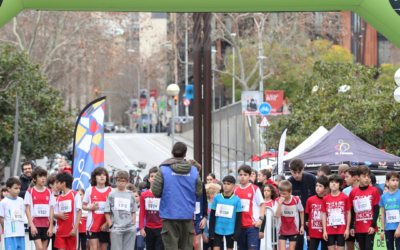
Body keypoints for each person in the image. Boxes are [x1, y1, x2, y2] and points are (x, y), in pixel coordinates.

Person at [151, 142, 202, 250]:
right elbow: (198, 192)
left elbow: (155, 191)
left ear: (172, 152)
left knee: (170, 247)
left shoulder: (163, 169)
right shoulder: (194, 170)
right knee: (186, 247)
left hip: (169, 214)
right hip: (187, 214)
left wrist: (168, 194)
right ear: (185, 154)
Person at [233, 164, 266, 250]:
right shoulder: (235, 190)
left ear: (250, 175)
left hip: (252, 226)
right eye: (240, 175)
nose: (242, 177)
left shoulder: (254, 189)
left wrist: (261, 219)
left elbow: (262, 204)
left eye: (245, 175)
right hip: (239, 226)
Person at [349, 165, 380, 250]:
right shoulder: (353, 192)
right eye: (364, 176)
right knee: (362, 248)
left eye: (368, 176)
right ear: (358, 177)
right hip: (358, 227)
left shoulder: (374, 190)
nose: (366, 178)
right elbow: (351, 211)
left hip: (370, 226)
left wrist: (373, 226)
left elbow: (377, 209)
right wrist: (351, 226)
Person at [287, 158, 316, 250]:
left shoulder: (311, 179)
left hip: (312, 215)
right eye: (294, 172)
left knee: (312, 242)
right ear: (290, 171)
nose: (297, 175)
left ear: (303, 170)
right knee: (298, 242)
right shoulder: (289, 182)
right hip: (297, 216)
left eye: (299, 172)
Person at [105, 171, 137, 250]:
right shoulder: (112, 194)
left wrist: (133, 225)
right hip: (116, 228)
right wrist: (111, 226)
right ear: (115, 181)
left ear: (127, 182)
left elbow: (133, 211)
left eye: (123, 181)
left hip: (129, 228)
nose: (121, 183)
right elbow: (107, 212)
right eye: (119, 180)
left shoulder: (131, 194)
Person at [25, 167, 56, 250]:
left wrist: (51, 227)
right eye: (40, 176)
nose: (43, 178)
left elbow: (51, 209)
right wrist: (31, 225)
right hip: (35, 224)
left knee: (44, 248)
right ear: (34, 179)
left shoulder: (49, 192)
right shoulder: (30, 191)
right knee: (40, 248)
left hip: (46, 224)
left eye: (44, 176)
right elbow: (27, 209)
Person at [82, 167, 113, 250]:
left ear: (106, 177)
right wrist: (90, 208)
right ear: (94, 178)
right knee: (94, 248)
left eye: (104, 175)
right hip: (92, 225)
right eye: (99, 175)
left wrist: (107, 223)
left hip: (106, 225)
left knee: (103, 248)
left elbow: (114, 210)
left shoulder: (111, 191)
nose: (102, 177)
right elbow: (83, 205)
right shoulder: (89, 190)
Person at [209, 175, 242, 250]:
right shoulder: (217, 197)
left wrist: (237, 233)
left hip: (230, 230)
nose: (226, 186)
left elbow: (238, 218)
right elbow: (212, 216)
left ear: (233, 186)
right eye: (224, 183)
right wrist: (211, 232)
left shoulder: (237, 199)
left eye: (228, 184)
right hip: (218, 229)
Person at [54, 172, 82, 250]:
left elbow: (79, 211)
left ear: (63, 183)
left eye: (57, 182)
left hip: (71, 232)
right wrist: (57, 215)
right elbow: (55, 214)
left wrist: (75, 228)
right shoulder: (58, 198)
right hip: (60, 232)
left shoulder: (75, 195)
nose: (56, 184)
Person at [322, 174, 351, 250]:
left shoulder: (345, 197)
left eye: (336, 182)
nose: (333, 184)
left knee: (341, 248)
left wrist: (347, 229)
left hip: (341, 229)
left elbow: (348, 213)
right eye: (331, 182)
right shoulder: (325, 198)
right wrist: (324, 231)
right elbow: (324, 214)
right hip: (329, 228)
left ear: (340, 184)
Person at [274, 180, 304, 250]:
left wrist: (302, 226)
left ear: (290, 192)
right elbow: (277, 215)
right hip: (282, 229)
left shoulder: (296, 200)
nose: (282, 196)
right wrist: (280, 204)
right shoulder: (278, 200)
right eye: (281, 193)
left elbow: (301, 211)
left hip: (293, 228)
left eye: (284, 194)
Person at [139, 167, 164, 250]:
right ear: (149, 179)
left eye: (156, 176)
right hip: (148, 227)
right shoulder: (144, 195)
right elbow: (142, 212)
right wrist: (141, 228)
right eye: (152, 176)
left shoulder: (163, 193)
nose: (154, 178)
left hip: (161, 226)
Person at [0, 177, 25, 249]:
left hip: (21, 233)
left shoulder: (21, 200)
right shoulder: (3, 202)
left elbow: (22, 214)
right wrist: (7, 229)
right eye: (15, 188)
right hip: (10, 235)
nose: (18, 190)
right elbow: (1, 218)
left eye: (19, 188)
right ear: (9, 189)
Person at [305, 176, 329, 250]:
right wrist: (308, 234)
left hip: (326, 232)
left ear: (326, 188)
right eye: (316, 185)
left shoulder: (328, 199)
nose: (317, 188)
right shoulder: (310, 200)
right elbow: (306, 218)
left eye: (320, 186)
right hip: (313, 233)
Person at [379, 171, 400, 250]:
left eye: (397, 180)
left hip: (398, 227)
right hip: (388, 229)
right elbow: (383, 213)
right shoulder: (383, 196)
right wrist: (383, 230)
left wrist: (399, 228)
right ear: (387, 182)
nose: (395, 182)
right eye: (393, 180)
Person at [192, 160, 208, 250]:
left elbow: (204, 201)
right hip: (186, 217)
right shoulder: (183, 183)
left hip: (198, 217)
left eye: (198, 170)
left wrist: (205, 217)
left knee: (197, 243)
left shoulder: (201, 184)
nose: (196, 172)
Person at [342, 167, 359, 250]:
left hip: (361, 223)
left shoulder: (363, 189)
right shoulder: (345, 191)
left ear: (354, 177)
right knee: (349, 247)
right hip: (348, 223)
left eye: (347, 177)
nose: (345, 179)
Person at [203, 183, 221, 250]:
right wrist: (204, 235)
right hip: (207, 237)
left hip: (218, 236)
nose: (220, 194)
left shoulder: (220, 206)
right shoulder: (205, 206)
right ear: (211, 195)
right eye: (218, 193)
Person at [46, 173, 59, 250]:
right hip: (47, 227)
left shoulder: (63, 196)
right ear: (50, 185)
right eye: (56, 182)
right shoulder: (47, 196)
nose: (58, 184)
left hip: (58, 228)